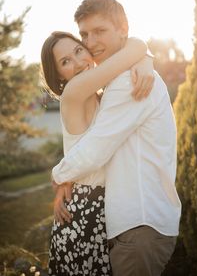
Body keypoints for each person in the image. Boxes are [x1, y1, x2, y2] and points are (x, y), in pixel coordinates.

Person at [52, 0, 182, 276]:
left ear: (123, 28)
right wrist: (142, 54)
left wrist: (60, 174)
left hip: (140, 225)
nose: (91, 42)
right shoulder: (116, 80)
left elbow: (98, 146)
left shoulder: (128, 82)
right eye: (85, 34)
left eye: (99, 31)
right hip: (132, 227)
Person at [41, 30, 152, 275]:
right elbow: (135, 47)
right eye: (65, 62)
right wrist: (144, 58)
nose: (79, 62)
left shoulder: (102, 96)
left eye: (78, 50)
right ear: (58, 76)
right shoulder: (74, 93)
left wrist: (145, 61)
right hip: (83, 211)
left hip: (106, 206)